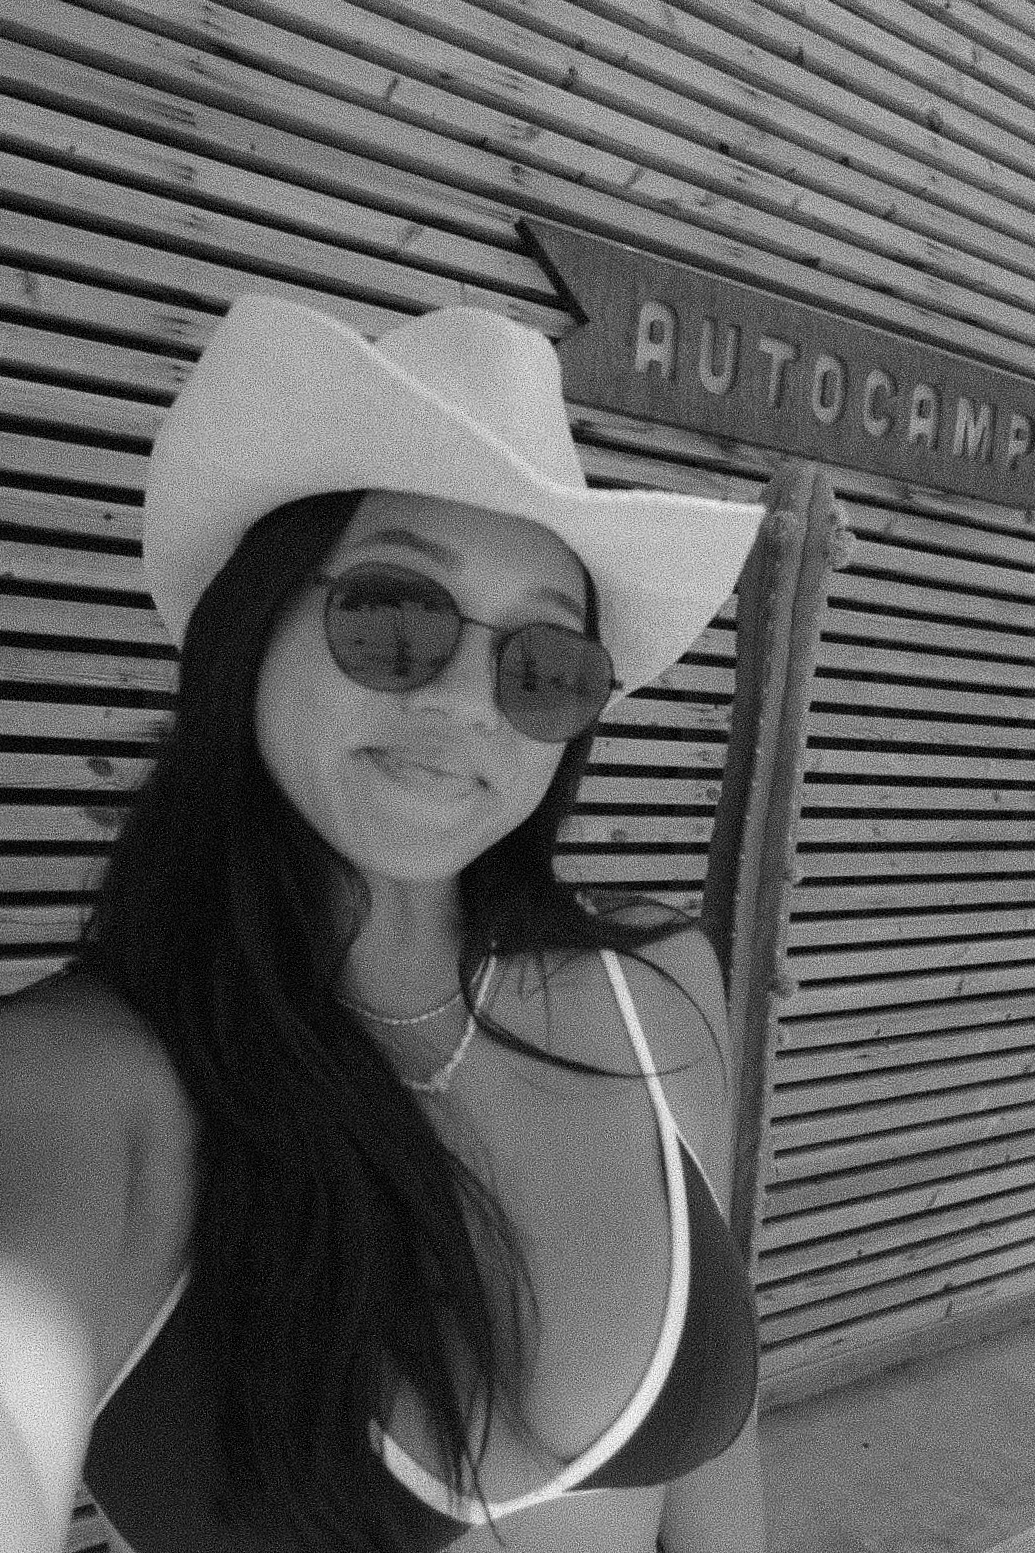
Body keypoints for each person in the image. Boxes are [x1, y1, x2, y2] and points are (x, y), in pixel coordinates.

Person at [0, 296, 769, 1553]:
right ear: (254, 624)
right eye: (395, 615)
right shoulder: (80, 1088)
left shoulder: (664, 989)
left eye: (544, 663)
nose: (470, 702)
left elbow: (719, 1475)